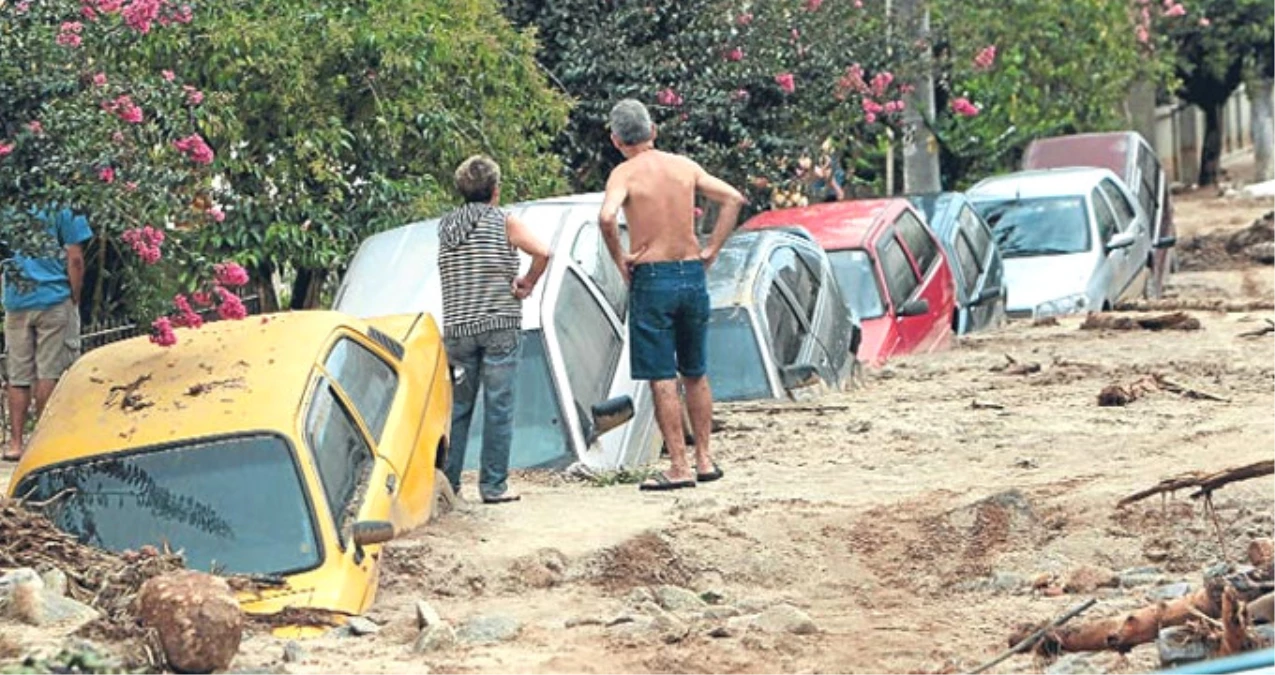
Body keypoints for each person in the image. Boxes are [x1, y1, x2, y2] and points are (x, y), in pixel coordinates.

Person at [598, 99, 747, 491]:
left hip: (652, 275)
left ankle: (678, 465)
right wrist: (712, 248)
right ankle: (704, 459)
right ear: (653, 131)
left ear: (616, 140)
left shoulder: (623, 173)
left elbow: (606, 217)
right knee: (695, 371)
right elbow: (733, 198)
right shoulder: (684, 166)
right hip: (691, 273)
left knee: (662, 375)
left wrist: (620, 259)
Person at [437, 155, 551, 504]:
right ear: (495, 191)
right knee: (498, 406)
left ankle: (449, 485)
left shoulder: (445, 227)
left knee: (457, 409)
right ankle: (493, 486)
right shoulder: (504, 222)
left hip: (457, 327)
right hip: (499, 324)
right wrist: (526, 283)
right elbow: (543, 252)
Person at [3, 206, 92, 462]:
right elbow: (75, 258)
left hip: (16, 302)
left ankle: (15, 443)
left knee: (18, 375)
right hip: (54, 299)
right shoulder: (63, 206)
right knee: (49, 372)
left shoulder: (9, 201)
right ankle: (43, 441)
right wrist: (74, 297)